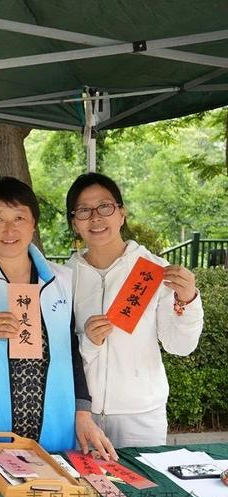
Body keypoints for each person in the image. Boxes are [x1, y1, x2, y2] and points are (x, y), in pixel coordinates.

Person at [0, 177, 115, 457]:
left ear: (33, 224)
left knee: (49, 483)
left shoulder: (60, 280)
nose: (9, 229)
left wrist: (83, 411)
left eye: (19, 218)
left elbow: (70, 350)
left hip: (53, 423)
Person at [65, 172, 203, 448]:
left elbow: (180, 345)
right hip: (80, 415)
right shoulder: (64, 277)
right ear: (74, 223)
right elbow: (59, 349)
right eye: (84, 210)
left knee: (140, 477)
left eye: (105, 207)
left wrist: (187, 300)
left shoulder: (152, 270)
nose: (95, 218)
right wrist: (87, 341)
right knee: (84, 479)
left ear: (121, 213)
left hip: (141, 415)